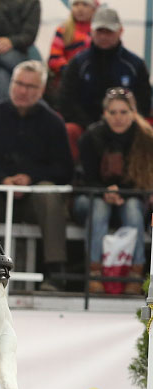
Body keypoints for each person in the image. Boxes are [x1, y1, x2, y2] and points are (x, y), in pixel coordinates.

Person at [0, 60, 73, 291]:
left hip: (34, 203)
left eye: (31, 86)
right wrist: (1, 180)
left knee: (49, 192)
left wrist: (31, 178)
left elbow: (64, 170)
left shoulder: (53, 122)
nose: (23, 90)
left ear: (41, 90)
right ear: (10, 84)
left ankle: (55, 272)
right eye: (19, 83)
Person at [73, 88, 153, 296]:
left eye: (124, 112)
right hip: (89, 196)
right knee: (99, 206)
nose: (118, 118)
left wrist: (120, 192)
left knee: (134, 208)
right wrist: (105, 191)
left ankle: (135, 274)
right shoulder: (90, 137)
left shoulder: (146, 139)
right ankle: (95, 272)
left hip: (132, 198)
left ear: (133, 113)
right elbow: (85, 178)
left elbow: (144, 182)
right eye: (113, 112)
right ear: (104, 114)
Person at [58, 6, 151, 153]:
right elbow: (66, 101)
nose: (103, 36)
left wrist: (121, 122)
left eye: (109, 32)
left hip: (126, 124)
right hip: (86, 125)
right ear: (92, 31)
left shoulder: (135, 65)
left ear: (120, 31)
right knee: (70, 130)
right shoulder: (78, 63)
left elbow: (143, 102)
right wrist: (92, 126)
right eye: (99, 31)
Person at [46, 0, 95, 99]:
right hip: (67, 81)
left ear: (94, 9)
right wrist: (71, 71)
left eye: (85, 4)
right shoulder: (63, 30)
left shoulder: (100, 32)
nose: (80, 8)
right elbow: (54, 59)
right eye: (76, 4)